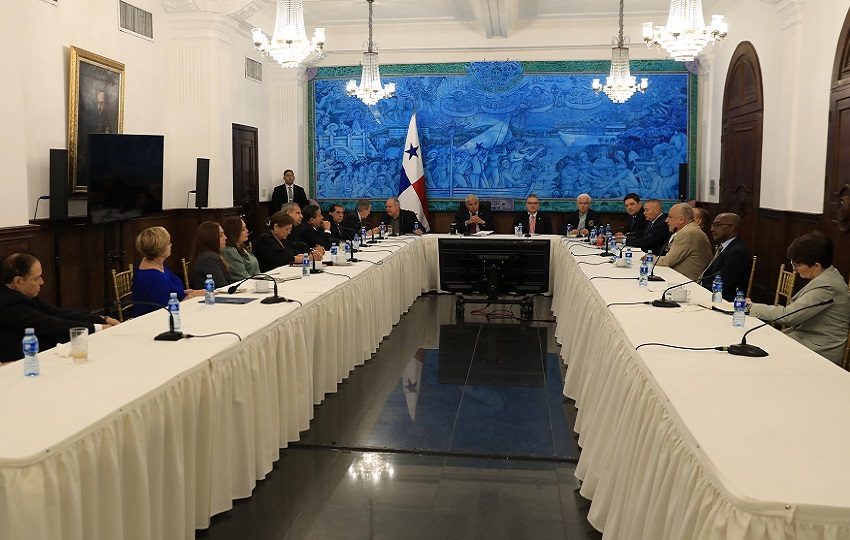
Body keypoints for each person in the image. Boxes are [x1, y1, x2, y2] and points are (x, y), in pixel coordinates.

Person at [748, 232, 850, 364]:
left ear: (816, 266)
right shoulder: (828, 274)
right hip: (804, 337)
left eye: (797, 265)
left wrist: (751, 308)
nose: (795, 269)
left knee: (759, 354)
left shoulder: (827, 286)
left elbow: (789, 316)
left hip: (819, 349)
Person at [0, 253, 119, 362]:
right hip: (23, 362)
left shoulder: (20, 293)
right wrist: (98, 328)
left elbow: (58, 313)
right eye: (37, 278)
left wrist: (103, 319)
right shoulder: (8, 303)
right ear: (19, 281)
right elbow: (50, 324)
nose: (42, 282)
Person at [132, 227, 204, 316]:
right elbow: (166, 311)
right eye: (168, 243)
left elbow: (170, 291)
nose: (171, 245)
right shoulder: (153, 278)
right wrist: (192, 296)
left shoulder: (157, 265)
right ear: (160, 250)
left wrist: (188, 293)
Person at [653, 203, 713, 281]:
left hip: (688, 283)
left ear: (681, 219)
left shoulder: (687, 233)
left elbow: (668, 262)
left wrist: (649, 258)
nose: (666, 220)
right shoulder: (692, 229)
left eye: (670, 217)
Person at [700, 213, 752, 301]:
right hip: (711, 292)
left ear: (731, 228)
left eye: (717, 225)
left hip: (725, 300)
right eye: (712, 225)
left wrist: (698, 289)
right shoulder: (725, 246)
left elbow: (724, 285)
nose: (712, 229)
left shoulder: (737, 251)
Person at [189, 221, 231, 289]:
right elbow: (221, 286)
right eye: (221, 235)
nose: (225, 237)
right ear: (211, 238)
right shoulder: (208, 258)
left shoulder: (209, 255)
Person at [221, 216, 261, 281]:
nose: (247, 231)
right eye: (243, 229)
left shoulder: (242, 246)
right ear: (233, 232)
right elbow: (242, 277)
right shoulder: (229, 251)